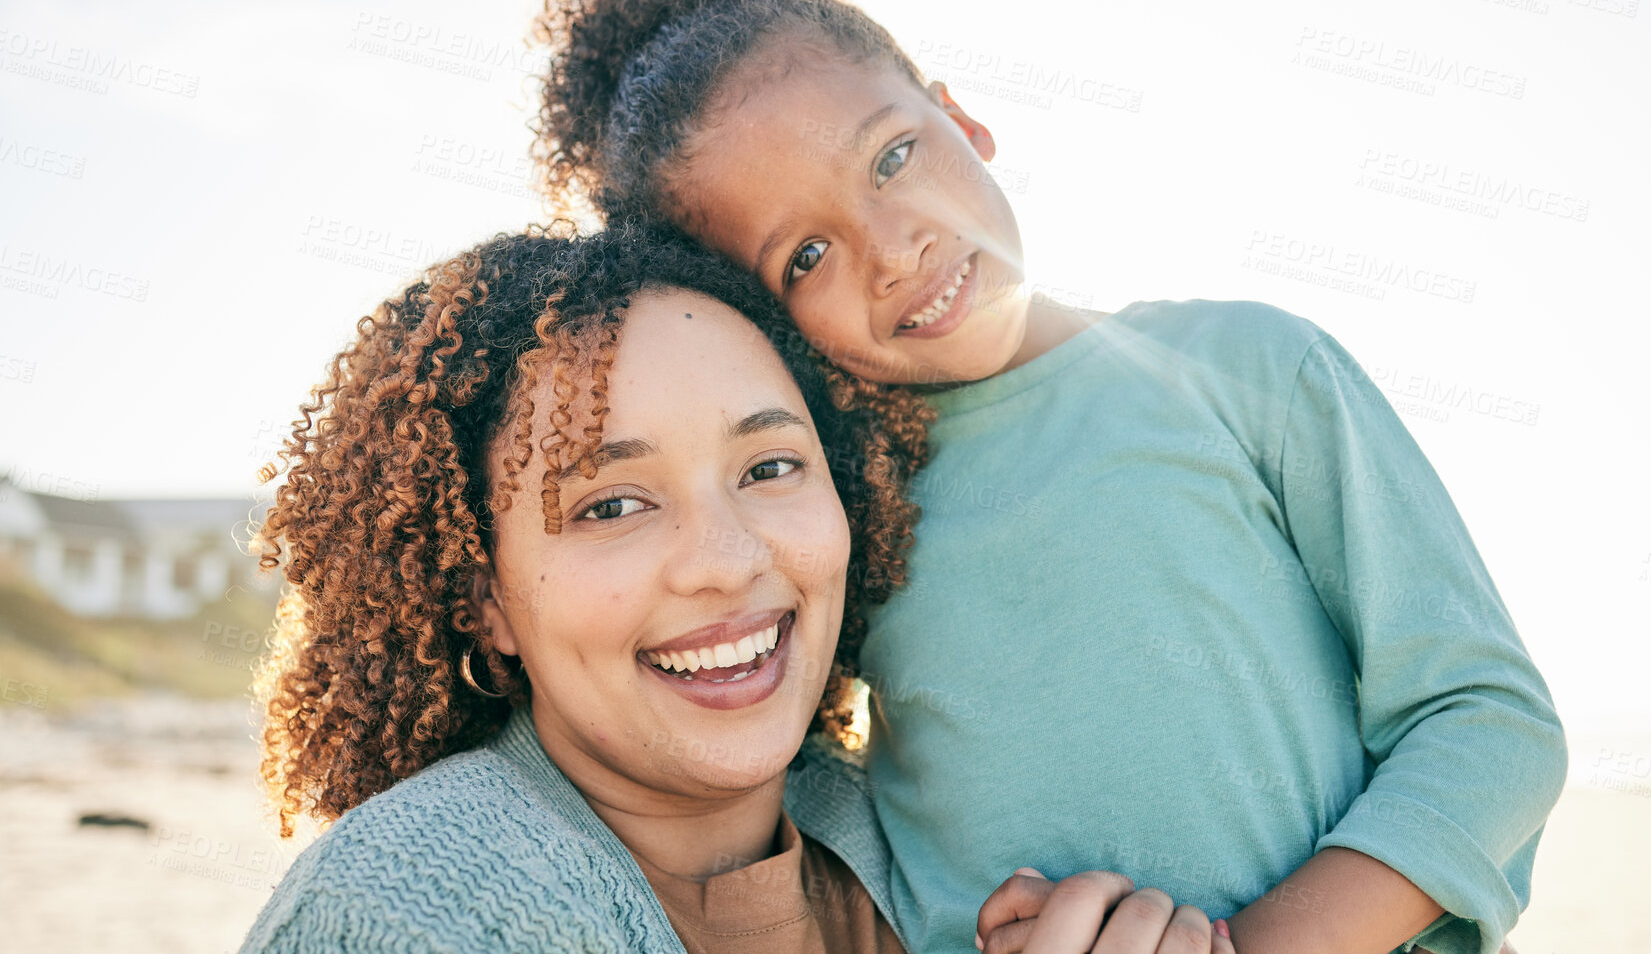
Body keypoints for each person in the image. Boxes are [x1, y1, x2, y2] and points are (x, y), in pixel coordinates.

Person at [528, 0, 1568, 954]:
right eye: (807, 256)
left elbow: (1488, 724)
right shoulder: (833, 518)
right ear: (761, 319)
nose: (894, 249)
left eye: (893, 158)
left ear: (960, 116)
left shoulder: (1247, 369)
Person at [239, 223, 1231, 954]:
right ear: (482, 596)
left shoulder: (923, 846)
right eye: (612, 505)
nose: (725, 558)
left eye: (769, 469)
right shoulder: (413, 903)